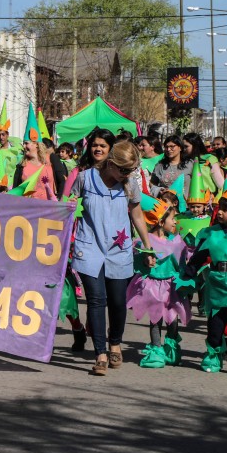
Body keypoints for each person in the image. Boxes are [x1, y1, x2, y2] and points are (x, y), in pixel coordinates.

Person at [68, 140, 154, 376]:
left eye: (130, 170)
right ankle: (100, 353)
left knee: (117, 302)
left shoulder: (130, 184)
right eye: (123, 170)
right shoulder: (85, 178)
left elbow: (137, 215)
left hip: (119, 248)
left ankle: (114, 341)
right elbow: (68, 207)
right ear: (111, 163)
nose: (126, 175)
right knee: (96, 300)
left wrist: (147, 247)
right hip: (89, 247)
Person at [126, 195, 191, 368]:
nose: (175, 222)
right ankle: (156, 349)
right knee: (155, 319)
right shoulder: (145, 241)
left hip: (171, 286)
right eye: (172, 219)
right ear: (161, 222)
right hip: (153, 287)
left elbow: (182, 264)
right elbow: (137, 261)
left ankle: (171, 347)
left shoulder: (177, 242)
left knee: (173, 319)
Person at [184, 189, 227, 372]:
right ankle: (214, 355)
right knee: (215, 323)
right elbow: (199, 256)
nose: (220, 212)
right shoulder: (211, 233)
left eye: (226, 209)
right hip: (217, 283)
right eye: (219, 208)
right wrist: (188, 273)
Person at [0, 101, 21, 190]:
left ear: (7, 135)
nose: (1, 137)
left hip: (11, 187)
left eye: (3, 134)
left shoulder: (16, 150)